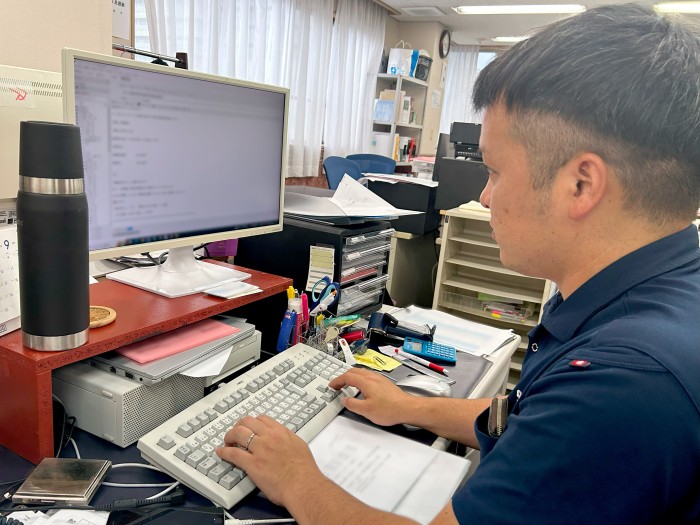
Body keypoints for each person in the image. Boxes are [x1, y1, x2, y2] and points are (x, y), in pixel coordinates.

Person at [217, 4, 700, 523]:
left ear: (581, 185)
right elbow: (529, 417)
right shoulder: (656, 292)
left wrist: (298, 480)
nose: (486, 197)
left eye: (494, 171)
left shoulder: (621, 384)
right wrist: (412, 406)